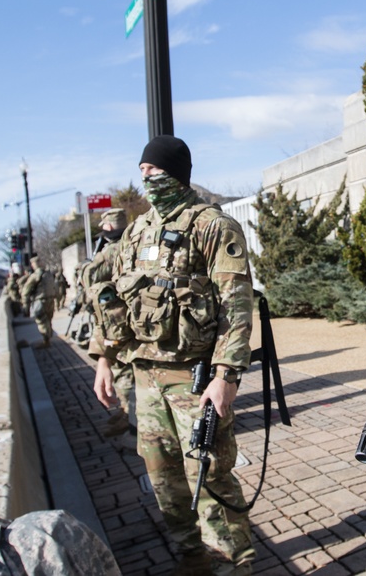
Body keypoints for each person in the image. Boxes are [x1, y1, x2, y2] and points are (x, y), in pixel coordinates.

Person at [92, 135, 255, 575]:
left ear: (178, 173)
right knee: (163, 477)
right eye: (143, 170)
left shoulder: (212, 226)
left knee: (209, 473)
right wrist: (104, 358)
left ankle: (234, 563)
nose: (147, 177)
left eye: (156, 170)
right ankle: (193, 557)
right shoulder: (137, 231)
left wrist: (227, 375)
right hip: (145, 377)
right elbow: (112, 298)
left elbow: (237, 305)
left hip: (194, 377)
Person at [82, 207, 135, 438]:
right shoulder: (135, 241)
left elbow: (89, 278)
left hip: (118, 319)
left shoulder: (111, 250)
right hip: (132, 316)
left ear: (109, 227)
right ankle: (126, 413)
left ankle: (131, 419)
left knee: (124, 371)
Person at [21, 255, 56, 348]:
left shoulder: (36, 275)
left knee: (41, 321)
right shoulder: (48, 274)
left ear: (33, 265)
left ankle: (46, 341)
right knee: (48, 320)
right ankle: (49, 338)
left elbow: (26, 290)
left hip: (40, 301)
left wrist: (25, 304)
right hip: (51, 300)